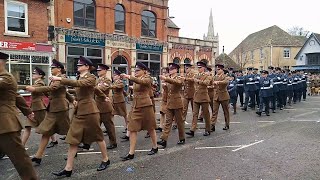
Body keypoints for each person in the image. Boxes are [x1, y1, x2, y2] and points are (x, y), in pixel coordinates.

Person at [51, 56, 110, 177]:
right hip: (79, 111)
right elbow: (91, 90)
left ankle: (105, 159)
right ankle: (68, 169)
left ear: (87, 67)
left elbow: (81, 84)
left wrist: (60, 79)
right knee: (73, 139)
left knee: (98, 137)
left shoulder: (91, 77)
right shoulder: (80, 77)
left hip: (90, 111)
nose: (78, 67)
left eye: (80, 65)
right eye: (78, 65)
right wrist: (69, 94)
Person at [26, 59, 74, 165]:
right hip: (52, 109)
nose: (51, 69)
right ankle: (38, 156)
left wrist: (34, 89)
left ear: (59, 69)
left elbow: (53, 88)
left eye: (53, 68)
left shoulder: (62, 78)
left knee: (68, 131)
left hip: (61, 109)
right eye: (51, 67)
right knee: (46, 131)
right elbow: (57, 92)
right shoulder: (53, 79)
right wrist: (72, 100)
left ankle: (74, 149)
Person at [0, 51, 38, 180]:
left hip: (6, 125)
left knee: (21, 160)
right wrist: (28, 112)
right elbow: (17, 96)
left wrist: (28, 112)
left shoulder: (6, 77)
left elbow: (15, 96)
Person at [120, 62, 158, 161]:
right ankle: (131, 153)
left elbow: (143, 83)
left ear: (144, 71)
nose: (135, 72)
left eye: (138, 70)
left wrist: (129, 76)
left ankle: (155, 146)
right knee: (132, 128)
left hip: (146, 106)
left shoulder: (147, 78)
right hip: (136, 106)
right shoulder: (138, 79)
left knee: (150, 128)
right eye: (135, 70)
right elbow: (137, 85)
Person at [157, 63, 185, 148]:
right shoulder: (169, 79)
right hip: (169, 103)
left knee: (179, 122)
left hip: (177, 103)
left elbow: (177, 83)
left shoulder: (180, 77)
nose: (170, 70)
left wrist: (166, 79)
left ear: (176, 70)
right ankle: (164, 139)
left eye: (172, 69)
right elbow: (168, 90)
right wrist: (165, 86)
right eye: (170, 69)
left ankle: (182, 138)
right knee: (168, 122)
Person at [19, 67, 47, 147]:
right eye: (33, 73)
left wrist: (17, 86)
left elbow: (32, 89)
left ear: (40, 76)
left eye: (35, 73)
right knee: (28, 127)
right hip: (34, 107)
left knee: (45, 126)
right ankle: (21, 146)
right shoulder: (36, 82)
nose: (33, 74)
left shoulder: (40, 83)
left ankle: (54, 140)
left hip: (39, 107)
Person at [186, 61, 211, 137]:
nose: (199, 69)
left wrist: (199, 81)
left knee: (206, 114)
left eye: (200, 67)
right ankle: (192, 130)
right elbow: (191, 79)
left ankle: (207, 129)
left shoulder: (207, 75)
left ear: (204, 68)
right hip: (196, 97)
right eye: (198, 67)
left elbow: (207, 83)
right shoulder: (196, 75)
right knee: (195, 114)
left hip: (204, 97)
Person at [95, 64, 117, 149]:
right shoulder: (97, 80)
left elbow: (101, 89)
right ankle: (88, 142)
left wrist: (97, 86)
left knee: (109, 126)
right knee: (94, 125)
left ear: (104, 71)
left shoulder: (107, 80)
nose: (98, 72)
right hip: (96, 106)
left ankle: (113, 142)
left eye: (100, 70)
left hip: (105, 107)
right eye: (97, 70)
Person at [211, 64, 231, 131]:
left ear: (222, 70)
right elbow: (212, 84)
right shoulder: (215, 77)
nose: (217, 70)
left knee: (226, 111)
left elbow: (226, 82)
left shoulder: (225, 76)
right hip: (216, 96)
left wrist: (218, 82)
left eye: (219, 69)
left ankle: (227, 124)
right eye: (217, 69)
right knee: (214, 111)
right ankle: (212, 125)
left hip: (224, 96)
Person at [111, 69, 129, 141]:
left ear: (119, 76)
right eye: (113, 75)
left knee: (124, 115)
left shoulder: (120, 82)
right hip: (115, 100)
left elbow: (118, 87)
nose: (113, 76)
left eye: (115, 75)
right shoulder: (115, 82)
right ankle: (110, 128)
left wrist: (108, 86)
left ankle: (128, 128)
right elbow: (123, 91)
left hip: (120, 101)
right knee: (111, 114)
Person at [159, 67, 170, 132]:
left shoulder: (170, 78)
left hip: (170, 98)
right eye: (163, 72)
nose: (164, 74)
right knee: (162, 112)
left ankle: (175, 123)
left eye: (165, 72)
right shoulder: (164, 79)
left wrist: (166, 84)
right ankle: (161, 126)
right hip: (164, 97)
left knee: (170, 113)